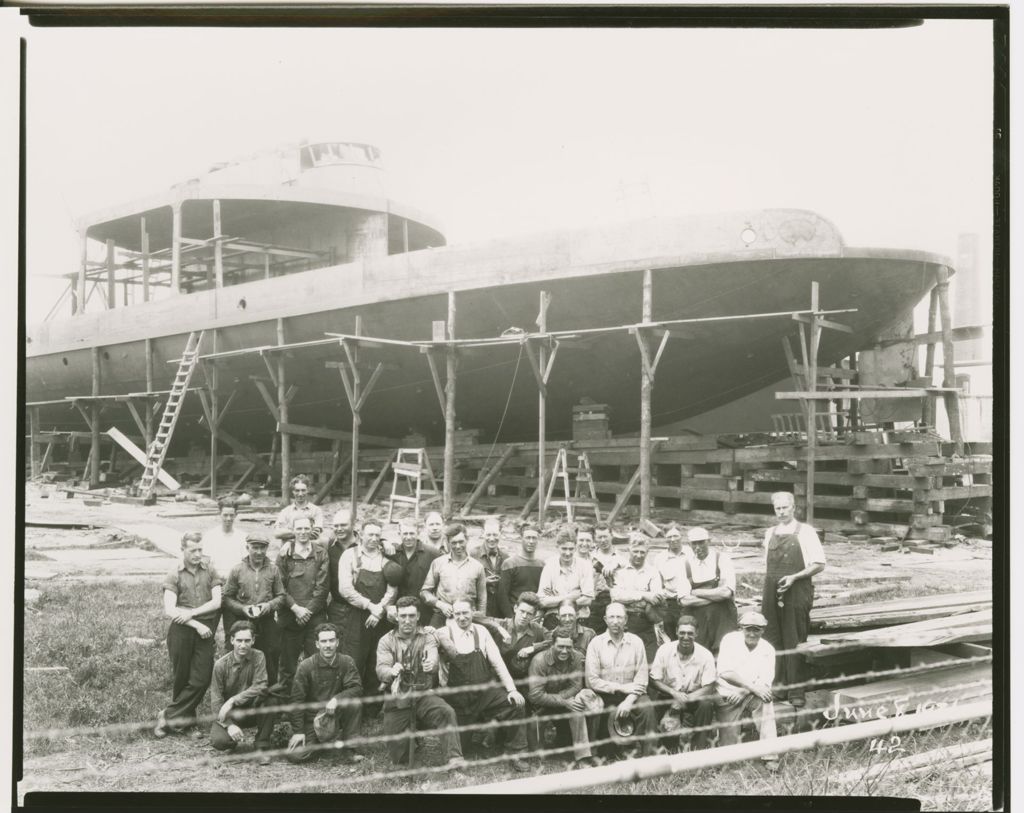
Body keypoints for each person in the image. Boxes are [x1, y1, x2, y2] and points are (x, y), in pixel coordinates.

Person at [434, 599, 530, 771]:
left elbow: (498, 663)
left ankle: (517, 753)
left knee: (516, 705)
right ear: (452, 615)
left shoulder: (482, 631)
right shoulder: (443, 633)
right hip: (458, 699)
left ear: (473, 612)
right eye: (458, 614)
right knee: (463, 747)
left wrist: (512, 690)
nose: (462, 617)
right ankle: (472, 740)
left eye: (465, 613)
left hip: (485, 693)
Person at [375, 596, 465, 767]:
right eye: (403, 616)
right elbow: (381, 669)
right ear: (397, 617)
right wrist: (390, 671)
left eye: (411, 616)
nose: (407, 620)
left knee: (446, 712)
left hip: (423, 694)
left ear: (418, 617)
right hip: (397, 699)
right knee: (398, 758)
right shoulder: (386, 640)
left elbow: (433, 657)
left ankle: (455, 759)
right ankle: (412, 739)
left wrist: (431, 664)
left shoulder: (428, 637)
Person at [155, 531, 223, 737]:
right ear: (182, 549)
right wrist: (195, 623)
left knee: (201, 679)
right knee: (182, 677)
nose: (197, 554)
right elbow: (170, 609)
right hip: (181, 631)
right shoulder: (174, 573)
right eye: (193, 550)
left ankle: (166, 716)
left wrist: (192, 613)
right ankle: (185, 725)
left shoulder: (210, 569)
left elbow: (217, 601)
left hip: (205, 629)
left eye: (200, 549)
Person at [760, 492, 825, 707]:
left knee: (794, 637)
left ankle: (796, 690)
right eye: (777, 508)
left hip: (796, 589)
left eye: (785, 508)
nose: (781, 512)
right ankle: (778, 686)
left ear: (794, 508)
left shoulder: (806, 532)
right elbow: (767, 566)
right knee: (772, 636)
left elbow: (819, 564)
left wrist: (794, 577)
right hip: (772, 589)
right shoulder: (770, 532)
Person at [584, 602, 658, 757]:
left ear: (626, 620)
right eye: (612, 617)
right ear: (605, 619)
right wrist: (620, 688)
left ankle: (648, 755)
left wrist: (628, 701)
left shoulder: (636, 642)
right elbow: (592, 680)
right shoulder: (596, 644)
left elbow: (642, 679)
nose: (615, 621)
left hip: (632, 694)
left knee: (647, 707)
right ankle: (598, 751)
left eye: (619, 617)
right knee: (609, 753)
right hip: (605, 694)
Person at [287, 623, 364, 764]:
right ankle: (322, 743)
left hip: (337, 713)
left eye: (331, 640)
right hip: (314, 718)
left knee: (354, 703)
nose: (328, 645)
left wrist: (336, 699)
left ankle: (350, 747)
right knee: (296, 756)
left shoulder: (346, 662)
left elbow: (356, 688)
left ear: (337, 642)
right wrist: (298, 731)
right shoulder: (306, 666)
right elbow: (296, 700)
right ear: (317, 644)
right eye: (323, 641)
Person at [337, 520, 397, 699]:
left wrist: (379, 611)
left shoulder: (386, 558)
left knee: (376, 660)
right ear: (360, 534)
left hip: (380, 618)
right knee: (353, 660)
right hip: (356, 616)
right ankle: (351, 704)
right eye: (369, 534)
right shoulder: (350, 555)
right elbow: (345, 589)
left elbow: (392, 589)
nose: (373, 538)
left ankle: (372, 705)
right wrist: (371, 607)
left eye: (377, 535)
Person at [715, 612, 778, 769]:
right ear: (741, 628)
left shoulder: (768, 649)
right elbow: (725, 672)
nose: (751, 633)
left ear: (763, 630)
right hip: (727, 693)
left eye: (756, 629)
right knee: (727, 758)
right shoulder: (729, 640)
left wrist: (744, 691)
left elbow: (765, 682)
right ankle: (726, 755)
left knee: (766, 702)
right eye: (748, 629)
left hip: (750, 694)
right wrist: (749, 688)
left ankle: (770, 755)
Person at [222, 531, 286, 687]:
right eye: (255, 547)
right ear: (247, 547)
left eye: (262, 548)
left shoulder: (273, 570)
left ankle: (269, 692)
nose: (259, 552)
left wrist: (269, 606)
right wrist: (243, 609)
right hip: (243, 621)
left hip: (266, 620)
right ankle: (238, 690)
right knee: (241, 655)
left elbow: (281, 596)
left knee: (270, 654)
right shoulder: (237, 570)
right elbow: (226, 597)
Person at [209, 620, 277, 764]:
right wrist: (229, 725)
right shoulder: (221, 665)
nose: (243, 645)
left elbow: (261, 685)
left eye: (247, 640)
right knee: (219, 741)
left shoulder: (259, 656)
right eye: (239, 640)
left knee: (270, 701)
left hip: (252, 708)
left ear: (253, 640)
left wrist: (233, 699)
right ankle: (232, 741)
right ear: (232, 640)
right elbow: (216, 702)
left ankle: (262, 746)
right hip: (231, 713)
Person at [527, 633, 598, 769]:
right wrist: (564, 701)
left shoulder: (576, 657)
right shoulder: (539, 660)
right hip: (541, 704)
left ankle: (583, 757)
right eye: (560, 646)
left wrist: (563, 699)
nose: (565, 651)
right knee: (535, 751)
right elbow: (535, 695)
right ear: (552, 645)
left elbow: (576, 685)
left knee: (578, 711)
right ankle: (537, 752)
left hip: (565, 699)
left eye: (568, 647)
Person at [276, 516, 329, 691]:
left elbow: (323, 587)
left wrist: (308, 611)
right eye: (299, 529)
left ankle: (313, 705)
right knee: (287, 664)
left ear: (312, 529)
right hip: (290, 615)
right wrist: (295, 609)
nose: (303, 532)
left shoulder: (321, 552)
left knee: (316, 662)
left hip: (314, 616)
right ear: (293, 530)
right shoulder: (285, 553)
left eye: (307, 528)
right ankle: (285, 705)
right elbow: (279, 586)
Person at [649, 616, 717, 750]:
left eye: (690, 633)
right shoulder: (664, 650)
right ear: (676, 632)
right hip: (668, 695)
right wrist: (674, 693)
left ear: (697, 633)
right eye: (682, 633)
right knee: (653, 706)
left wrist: (685, 700)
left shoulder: (706, 655)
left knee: (706, 705)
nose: (686, 637)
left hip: (694, 697)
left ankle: (699, 747)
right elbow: (654, 680)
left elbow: (709, 687)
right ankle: (659, 745)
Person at [678, 527, 738, 655]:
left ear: (709, 541)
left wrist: (696, 592)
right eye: (694, 543)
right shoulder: (684, 564)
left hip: (722, 618)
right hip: (697, 618)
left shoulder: (722, 559)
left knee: (723, 652)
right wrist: (715, 595)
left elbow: (726, 593)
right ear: (689, 544)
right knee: (698, 653)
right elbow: (684, 600)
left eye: (701, 542)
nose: (698, 547)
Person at [609, 534, 666, 663]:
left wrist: (629, 597)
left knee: (649, 662)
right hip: (623, 622)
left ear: (647, 552)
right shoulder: (619, 571)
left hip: (645, 622)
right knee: (622, 662)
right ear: (629, 550)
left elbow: (656, 598)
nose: (639, 555)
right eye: (635, 551)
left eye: (642, 552)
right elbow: (616, 595)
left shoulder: (653, 572)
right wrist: (644, 595)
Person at [420, 523, 487, 627]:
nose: (458, 546)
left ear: (467, 539)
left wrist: (481, 617)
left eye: (461, 542)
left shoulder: (477, 566)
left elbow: (482, 598)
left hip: (468, 616)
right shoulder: (438, 563)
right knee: (432, 639)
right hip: (442, 615)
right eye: (453, 543)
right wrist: (441, 605)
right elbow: (424, 592)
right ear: (447, 543)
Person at [480, 591, 550, 683]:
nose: (524, 616)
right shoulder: (502, 624)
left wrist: (533, 648)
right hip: (497, 678)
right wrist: (498, 628)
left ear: (534, 615)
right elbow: (474, 616)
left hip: (521, 680)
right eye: (522, 611)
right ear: (515, 608)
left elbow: (555, 639)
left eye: (529, 613)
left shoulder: (537, 629)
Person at [537, 531, 594, 629]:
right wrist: (571, 597)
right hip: (554, 617)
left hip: (579, 617)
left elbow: (587, 600)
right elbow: (543, 601)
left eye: (571, 549)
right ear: (557, 547)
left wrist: (556, 599)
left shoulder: (585, 566)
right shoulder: (549, 565)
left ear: (575, 547)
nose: (568, 553)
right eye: (564, 549)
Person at [387, 518, 442, 613]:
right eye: (405, 533)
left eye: (412, 533)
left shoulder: (433, 554)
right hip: (398, 611)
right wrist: (383, 541)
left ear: (418, 533)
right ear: (399, 533)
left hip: (424, 610)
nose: (408, 537)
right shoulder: (392, 553)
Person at [498, 523, 546, 618]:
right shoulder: (510, 564)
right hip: (515, 615)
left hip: (534, 617)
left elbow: (544, 594)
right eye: (528, 538)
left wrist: (540, 614)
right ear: (521, 539)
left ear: (538, 540)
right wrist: (511, 618)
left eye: (534, 538)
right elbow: (502, 597)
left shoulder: (542, 565)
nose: (531, 541)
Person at [653, 525, 689, 641]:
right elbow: (657, 583)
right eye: (669, 537)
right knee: (670, 636)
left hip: (690, 601)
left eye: (675, 536)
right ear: (665, 539)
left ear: (681, 537)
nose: (673, 539)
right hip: (670, 603)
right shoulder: (659, 559)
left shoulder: (691, 554)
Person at [273, 474, 324, 555]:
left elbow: (315, 534)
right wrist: (303, 532)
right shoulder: (285, 512)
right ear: (293, 491)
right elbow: (277, 533)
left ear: (308, 490)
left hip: (309, 553)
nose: (300, 494)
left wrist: (289, 536)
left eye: (303, 490)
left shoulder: (316, 511)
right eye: (297, 490)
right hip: (289, 553)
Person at [323, 508, 357, 631]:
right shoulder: (328, 545)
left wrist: (384, 542)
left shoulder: (364, 544)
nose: (339, 529)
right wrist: (290, 543)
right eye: (336, 525)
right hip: (337, 607)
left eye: (343, 525)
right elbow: (305, 541)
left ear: (353, 524)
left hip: (360, 607)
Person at [202, 498, 248, 586]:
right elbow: (205, 564)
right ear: (219, 514)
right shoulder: (209, 536)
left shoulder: (243, 537)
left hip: (237, 581)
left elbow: (246, 564)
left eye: (231, 515)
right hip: (215, 581)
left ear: (236, 515)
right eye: (225, 515)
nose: (228, 518)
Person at [576, 524, 611, 634]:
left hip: (590, 612)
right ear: (575, 541)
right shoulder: (567, 559)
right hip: (570, 611)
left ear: (593, 542)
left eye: (588, 540)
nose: (584, 544)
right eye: (581, 540)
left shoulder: (596, 563)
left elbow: (597, 591)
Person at [472, 518, 508, 617]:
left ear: (500, 534)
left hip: (499, 608)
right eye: (488, 534)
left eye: (495, 534)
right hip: (479, 607)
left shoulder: (506, 557)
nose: (492, 539)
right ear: (483, 534)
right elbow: (466, 583)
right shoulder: (473, 555)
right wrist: (483, 581)